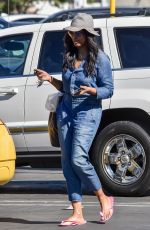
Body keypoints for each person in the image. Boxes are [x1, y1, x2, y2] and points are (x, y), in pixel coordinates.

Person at [35, 13, 114, 226]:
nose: (74, 37)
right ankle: (77, 213)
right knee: (67, 161)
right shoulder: (69, 57)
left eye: (78, 33)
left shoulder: (100, 59)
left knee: (79, 157)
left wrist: (92, 90)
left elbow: (109, 90)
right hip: (65, 111)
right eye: (72, 33)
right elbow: (66, 88)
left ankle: (103, 198)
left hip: (87, 112)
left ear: (88, 34)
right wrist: (49, 79)